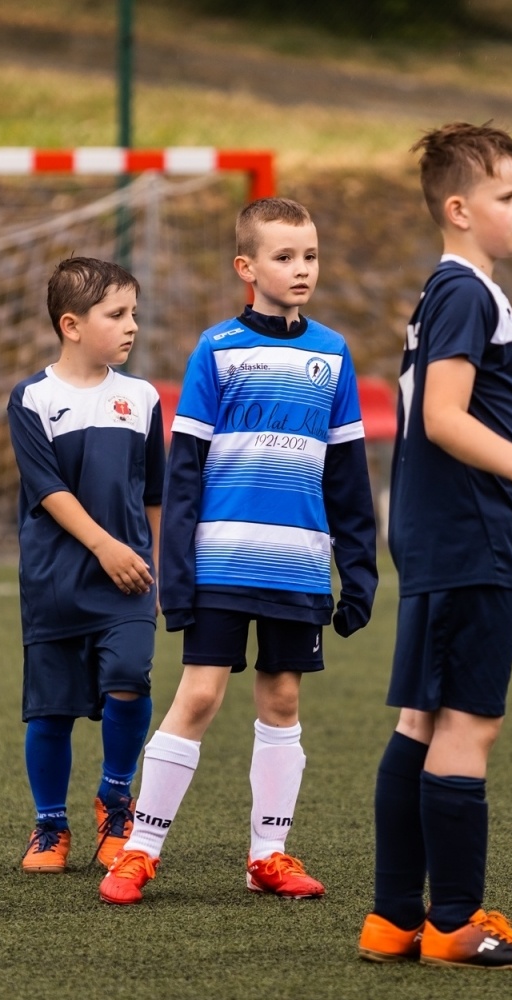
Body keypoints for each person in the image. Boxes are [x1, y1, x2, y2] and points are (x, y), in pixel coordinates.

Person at [358, 122, 512, 970]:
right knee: (467, 724)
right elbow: (443, 418)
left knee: (420, 719)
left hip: (438, 533)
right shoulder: (465, 292)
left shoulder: (448, 291)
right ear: (459, 209)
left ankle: (393, 920)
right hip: (469, 535)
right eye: (508, 196)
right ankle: (456, 924)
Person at [98, 196, 378, 906]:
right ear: (246, 267)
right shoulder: (217, 349)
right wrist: (178, 574)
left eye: (310, 255)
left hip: (299, 566)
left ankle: (269, 855)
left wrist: (360, 571)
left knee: (282, 700)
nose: (301, 268)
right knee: (198, 696)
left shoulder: (333, 354)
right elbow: (184, 469)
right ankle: (139, 851)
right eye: (284, 257)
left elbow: (347, 477)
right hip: (222, 561)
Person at [6, 257, 163, 874]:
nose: (132, 326)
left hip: (130, 580)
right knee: (50, 709)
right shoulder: (33, 399)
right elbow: (48, 491)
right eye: (117, 314)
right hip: (55, 582)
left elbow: (155, 493)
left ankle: (116, 799)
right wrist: (105, 546)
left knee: (130, 677)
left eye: (134, 313)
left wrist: (157, 567)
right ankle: (50, 826)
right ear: (71, 325)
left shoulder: (143, 397)